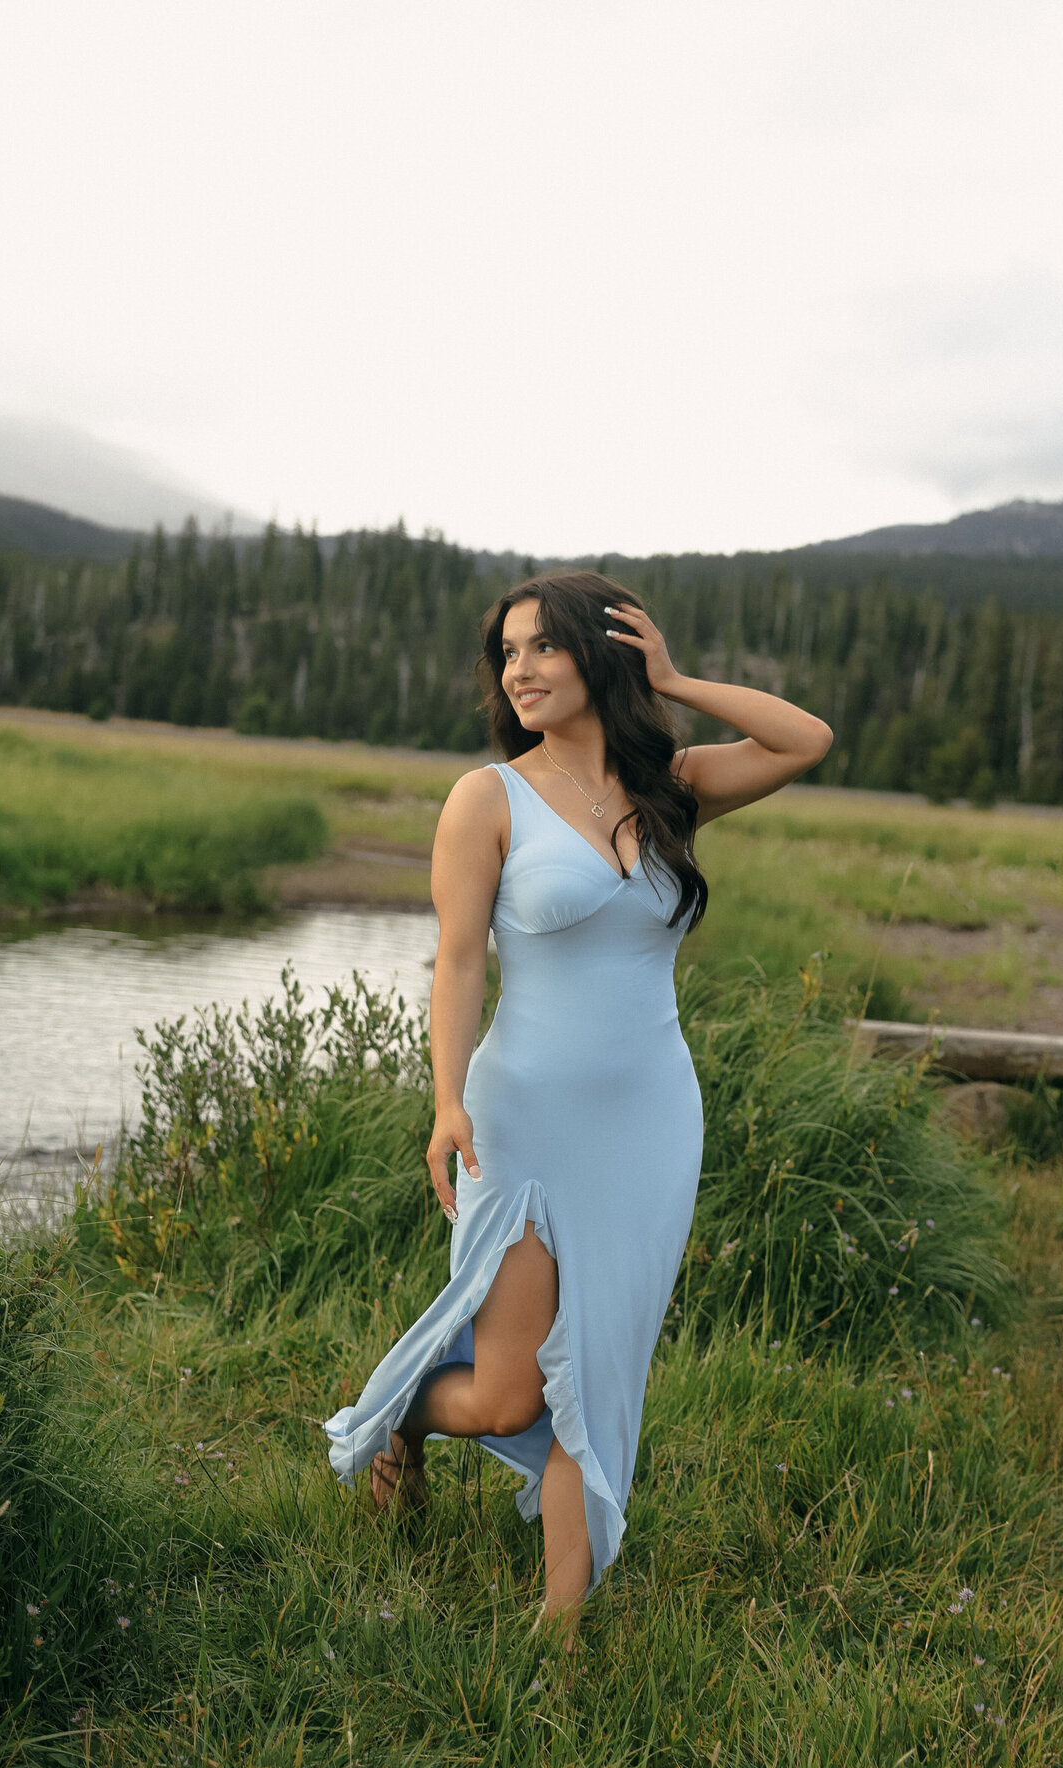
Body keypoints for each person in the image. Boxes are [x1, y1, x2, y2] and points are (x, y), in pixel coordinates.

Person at [324, 571, 832, 1645]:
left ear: (599, 658)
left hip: (651, 1124)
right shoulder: (487, 797)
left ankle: (559, 1637)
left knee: (594, 1376)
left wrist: (681, 680)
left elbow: (805, 740)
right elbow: (459, 960)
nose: (519, 670)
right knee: (509, 1393)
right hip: (521, 1122)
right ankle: (404, 1420)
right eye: (507, 653)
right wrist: (445, 1100)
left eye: (543, 648)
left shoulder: (673, 786)